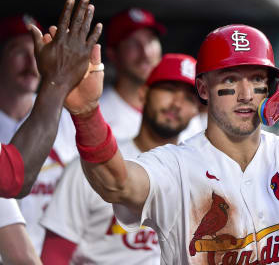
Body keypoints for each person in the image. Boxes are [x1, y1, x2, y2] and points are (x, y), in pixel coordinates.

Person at [62, 6, 279, 264]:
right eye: (230, 80)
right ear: (202, 88)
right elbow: (116, 184)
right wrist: (85, 113)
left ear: (272, 87)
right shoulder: (175, 165)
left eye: (257, 80)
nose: (246, 94)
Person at [40, 53, 199, 264]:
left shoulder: (202, 173)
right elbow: (55, 255)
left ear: (197, 110)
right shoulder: (91, 166)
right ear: (143, 93)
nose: (177, 104)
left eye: (189, 98)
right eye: (168, 90)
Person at [0, 0, 102, 260]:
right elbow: (13, 178)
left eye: (33, 52)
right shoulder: (54, 104)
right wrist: (58, 79)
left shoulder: (65, 115)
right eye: (17, 51)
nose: (30, 62)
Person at [100, 8, 164, 141]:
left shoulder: (180, 110)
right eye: (132, 43)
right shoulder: (94, 113)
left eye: (151, 41)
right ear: (112, 54)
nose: (145, 53)